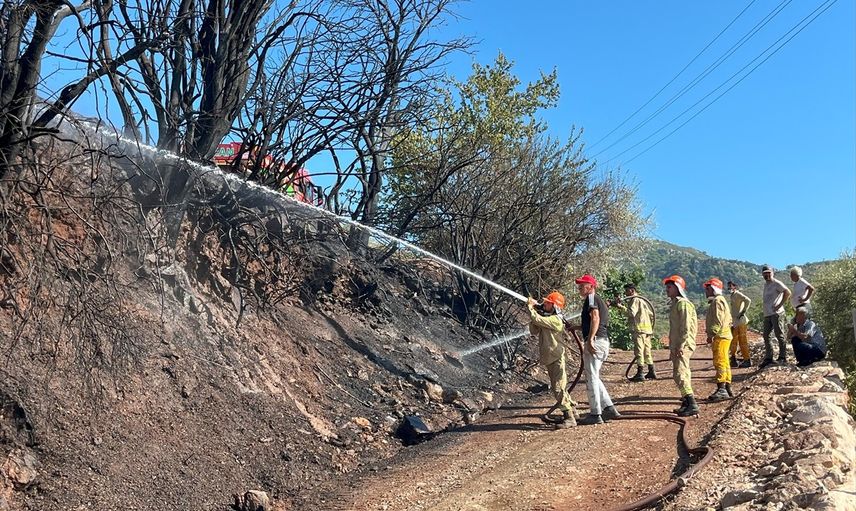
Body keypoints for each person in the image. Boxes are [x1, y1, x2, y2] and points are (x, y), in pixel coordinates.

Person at [575, 274, 620, 425]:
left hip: (596, 341)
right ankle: (609, 408)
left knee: (591, 377)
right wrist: (575, 327)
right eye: (579, 285)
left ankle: (595, 414)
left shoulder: (591, 298)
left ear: (591, 286)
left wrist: (590, 339)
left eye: (583, 285)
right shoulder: (597, 300)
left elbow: (595, 318)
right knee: (594, 375)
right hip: (602, 341)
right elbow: (592, 322)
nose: (580, 288)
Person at [527, 291, 576, 428]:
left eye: (548, 302)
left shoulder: (556, 320)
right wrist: (537, 311)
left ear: (555, 306)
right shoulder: (547, 318)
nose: (545, 304)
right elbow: (534, 330)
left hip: (556, 357)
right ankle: (573, 411)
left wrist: (531, 308)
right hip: (550, 357)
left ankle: (569, 417)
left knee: (558, 387)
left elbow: (538, 320)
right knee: (560, 386)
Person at [663, 275, 699, 417]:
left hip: (683, 345)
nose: (667, 289)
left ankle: (691, 403)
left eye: (669, 287)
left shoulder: (683, 304)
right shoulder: (676, 304)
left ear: (677, 288)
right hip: (678, 345)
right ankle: (686, 402)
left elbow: (686, 327)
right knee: (679, 373)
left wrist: (681, 346)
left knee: (681, 373)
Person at [612, 283, 656, 381]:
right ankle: (651, 371)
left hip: (639, 330)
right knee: (647, 351)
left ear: (632, 290)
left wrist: (620, 307)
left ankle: (640, 373)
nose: (625, 293)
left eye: (627, 291)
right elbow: (651, 314)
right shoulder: (642, 300)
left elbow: (631, 313)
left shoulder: (635, 300)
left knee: (639, 351)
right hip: (647, 330)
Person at [704, 278, 733, 401]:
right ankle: (727, 387)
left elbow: (718, 320)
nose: (706, 291)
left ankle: (722, 389)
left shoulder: (717, 301)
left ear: (713, 289)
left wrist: (711, 334)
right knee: (725, 361)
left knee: (719, 361)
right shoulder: (721, 300)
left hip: (720, 336)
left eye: (708, 288)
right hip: (724, 335)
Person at [760, 265, 791, 368]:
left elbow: (787, 292)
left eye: (769, 273)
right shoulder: (766, 284)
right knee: (766, 335)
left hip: (777, 313)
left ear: (772, 273)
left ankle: (782, 357)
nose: (767, 275)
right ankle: (769, 358)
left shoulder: (777, 283)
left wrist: (779, 305)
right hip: (767, 314)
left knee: (779, 335)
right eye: (765, 273)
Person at [727, 281, 752, 368]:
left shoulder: (737, 294)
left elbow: (748, 300)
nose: (729, 288)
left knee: (742, 341)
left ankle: (747, 360)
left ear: (735, 286)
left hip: (741, 322)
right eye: (728, 286)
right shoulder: (732, 295)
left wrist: (743, 312)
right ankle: (733, 359)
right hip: (735, 322)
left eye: (731, 286)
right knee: (733, 341)